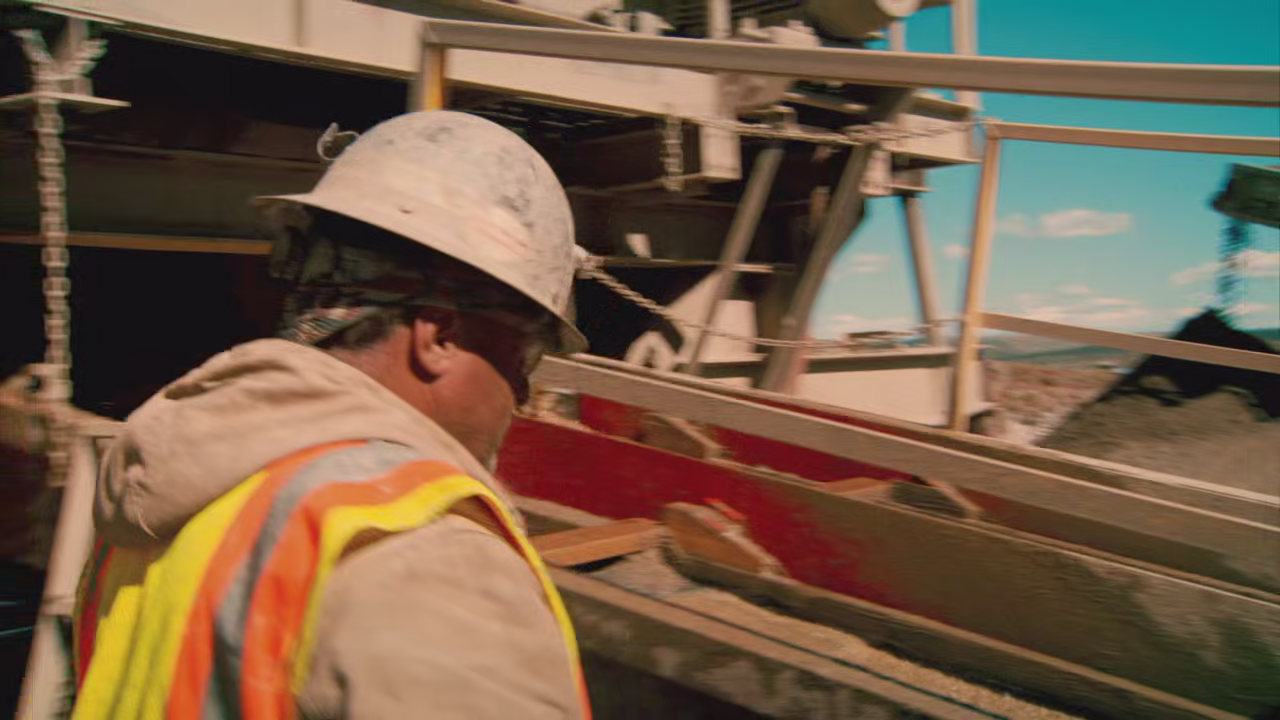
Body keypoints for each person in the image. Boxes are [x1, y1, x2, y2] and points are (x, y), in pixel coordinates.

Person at [69, 111, 592, 719]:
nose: (522, 391)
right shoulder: (429, 556)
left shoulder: (166, 494)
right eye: (523, 355)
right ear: (439, 336)